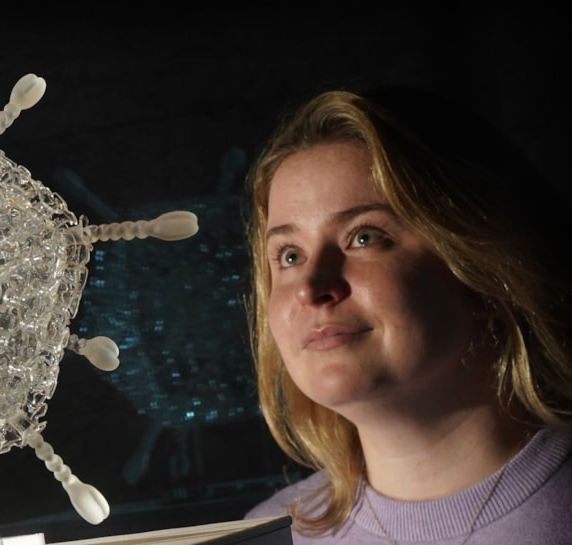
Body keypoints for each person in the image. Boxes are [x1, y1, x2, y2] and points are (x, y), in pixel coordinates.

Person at [241, 86, 572, 544]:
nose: (313, 288)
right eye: (290, 255)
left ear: (485, 269)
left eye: (364, 238)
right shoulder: (266, 535)